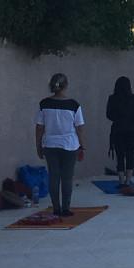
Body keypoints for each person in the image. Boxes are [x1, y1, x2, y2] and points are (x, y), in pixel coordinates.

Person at [34, 73, 85, 217]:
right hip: (69, 145)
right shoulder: (74, 105)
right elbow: (79, 128)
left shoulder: (44, 104)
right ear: (66, 86)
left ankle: (56, 207)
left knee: (54, 177)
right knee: (67, 178)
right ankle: (66, 208)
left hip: (50, 144)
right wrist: (82, 145)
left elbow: (39, 127)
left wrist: (38, 145)